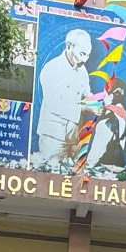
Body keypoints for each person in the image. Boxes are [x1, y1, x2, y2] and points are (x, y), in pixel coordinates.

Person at [33, 28, 92, 169]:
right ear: (69, 46)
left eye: (88, 55)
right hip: (53, 137)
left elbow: (86, 92)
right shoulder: (52, 68)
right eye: (82, 54)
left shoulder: (82, 70)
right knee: (50, 174)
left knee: (70, 177)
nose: (85, 59)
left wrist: (98, 101)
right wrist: (85, 108)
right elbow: (54, 104)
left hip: (73, 137)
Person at [83, 80, 126, 170]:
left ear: (111, 96)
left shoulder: (107, 120)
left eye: (104, 94)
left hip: (103, 168)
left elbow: (99, 149)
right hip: (118, 167)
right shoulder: (123, 115)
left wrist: (87, 166)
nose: (102, 97)